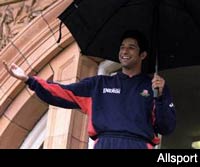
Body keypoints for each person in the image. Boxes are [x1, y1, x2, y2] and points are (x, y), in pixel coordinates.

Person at [3, 30, 176, 149]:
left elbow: (166, 127)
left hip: (139, 144)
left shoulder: (154, 86)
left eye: (131, 47)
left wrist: (159, 97)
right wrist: (29, 80)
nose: (124, 51)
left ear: (143, 55)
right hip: (105, 144)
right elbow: (61, 92)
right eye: (122, 47)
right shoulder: (99, 84)